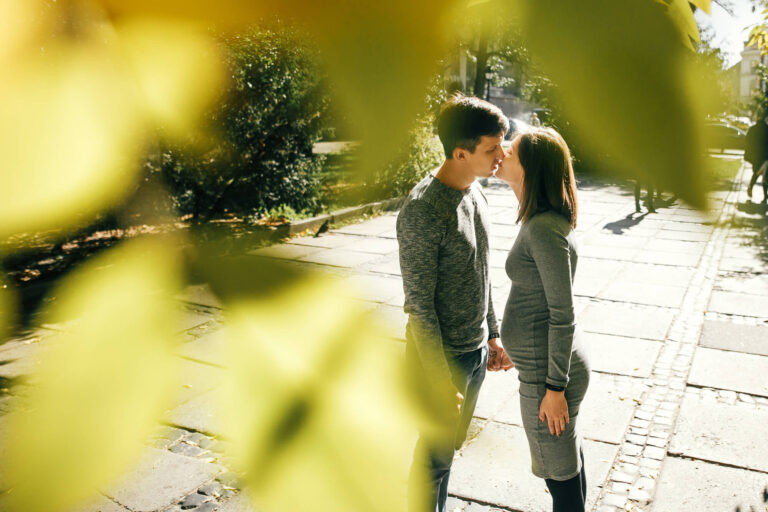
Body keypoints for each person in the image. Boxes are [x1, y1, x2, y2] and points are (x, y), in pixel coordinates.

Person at [397, 93, 513, 512]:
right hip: (441, 361)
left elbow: (482, 273)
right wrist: (439, 380)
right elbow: (420, 308)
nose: (502, 155)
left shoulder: (475, 192)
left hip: (476, 352)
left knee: (446, 455)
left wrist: (494, 335)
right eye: (492, 148)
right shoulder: (423, 211)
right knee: (433, 461)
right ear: (461, 153)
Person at [495, 128, 591, 512]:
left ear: (531, 169)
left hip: (549, 379)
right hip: (543, 368)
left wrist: (554, 388)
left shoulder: (544, 229)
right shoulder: (539, 221)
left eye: (513, 150)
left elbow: (562, 314)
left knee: (560, 479)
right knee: (567, 465)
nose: (503, 151)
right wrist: (516, 350)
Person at [744, 115, 768, 202]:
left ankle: (750, 187)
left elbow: (747, 141)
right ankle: (765, 195)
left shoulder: (752, 129)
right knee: (766, 176)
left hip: (755, 157)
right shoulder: (766, 129)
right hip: (765, 157)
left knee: (756, 173)